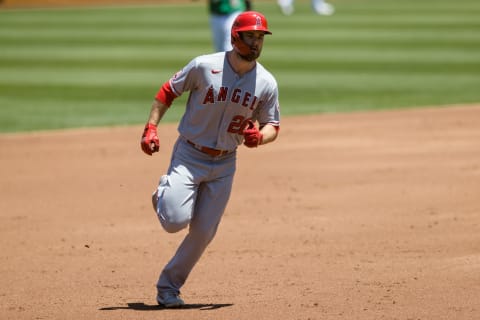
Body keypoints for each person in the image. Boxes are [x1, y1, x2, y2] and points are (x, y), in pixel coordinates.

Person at [140, 11, 280, 308]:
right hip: (190, 155)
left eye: (260, 37)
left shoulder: (266, 82)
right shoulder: (205, 66)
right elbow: (167, 91)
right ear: (235, 37)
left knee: (203, 233)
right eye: (250, 36)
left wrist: (260, 138)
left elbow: (273, 125)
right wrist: (151, 127)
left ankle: (168, 288)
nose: (256, 43)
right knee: (174, 222)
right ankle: (165, 196)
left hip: (225, 164)